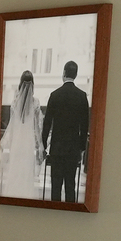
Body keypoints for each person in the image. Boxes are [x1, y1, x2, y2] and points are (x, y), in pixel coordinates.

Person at [40, 60, 90, 203]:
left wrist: (44, 144)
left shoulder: (54, 95)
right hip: (73, 150)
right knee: (70, 186)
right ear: (76, 74)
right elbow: (85, 125)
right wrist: (81, 148)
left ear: (64, 73)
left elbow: (47, 123)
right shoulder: (82, 96)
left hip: (57, 148)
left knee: (55, 186)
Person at [0, 70, 41, 198]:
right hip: (28, 144)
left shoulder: (14, 103)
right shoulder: (36, 103)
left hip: (16, 144)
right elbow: (37, 128)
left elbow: (12, 127)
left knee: (15, 172)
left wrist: (7, 144)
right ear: (32, 84)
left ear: (20, 84)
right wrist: (40, 145)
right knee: (26, 173)